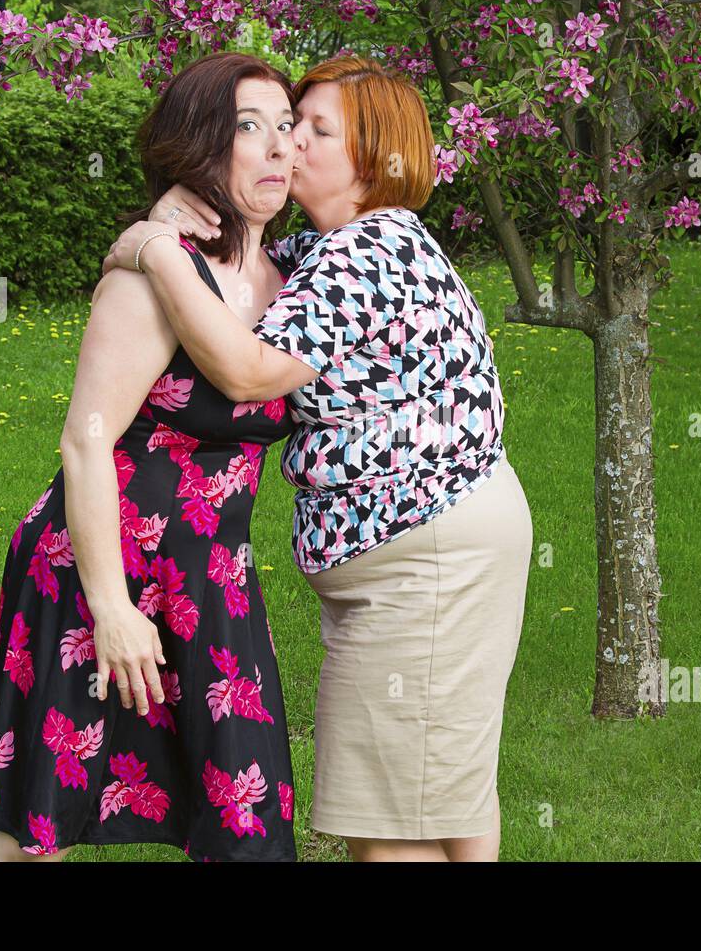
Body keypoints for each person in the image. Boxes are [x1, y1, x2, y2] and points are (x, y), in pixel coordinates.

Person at [103, 55, 533, 862]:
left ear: (373, 164)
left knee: (388, 829)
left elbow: (250, 369)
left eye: (316, 129)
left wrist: (155, 251)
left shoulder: (361, 254)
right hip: (442, 543)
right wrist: (173, 217)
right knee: (444, 801)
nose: (290, 142)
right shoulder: (346, 249)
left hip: (423, 558)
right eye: (289, 122)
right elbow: (254, 276)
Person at [0, 52, 302, 862]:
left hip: (214, 576)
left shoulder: (294, 274)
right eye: (248, 128)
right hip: (100, 565)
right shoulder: (155, 273)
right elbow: (84, 441)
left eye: (286, 128)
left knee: (245, 814)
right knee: (34, 830)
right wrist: (112, 608)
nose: (277, 149)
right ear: (201, 146)